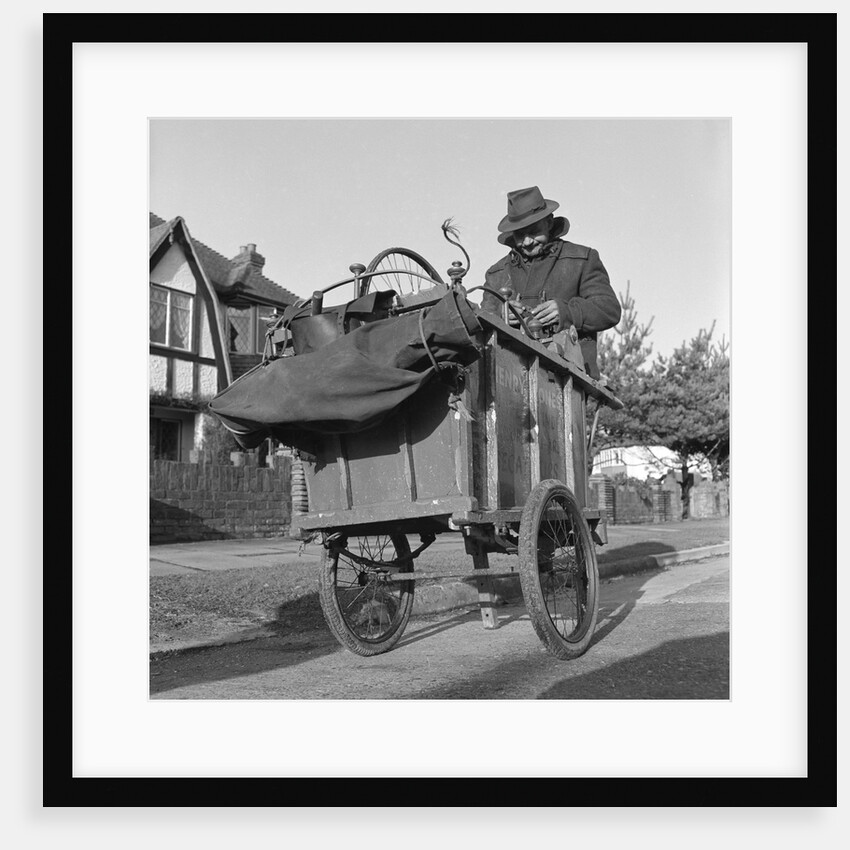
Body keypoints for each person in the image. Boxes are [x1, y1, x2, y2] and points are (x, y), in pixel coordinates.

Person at [481, 185, 621, 378]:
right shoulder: (497, 273)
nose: (527, 241)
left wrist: (566, 311)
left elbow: (609, 309)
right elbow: (480, 324)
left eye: (533, 231)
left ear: (548, 222)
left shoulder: (583, 259)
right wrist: (499, 315)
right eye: (520, 235)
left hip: (572, 379)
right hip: (508, 376)